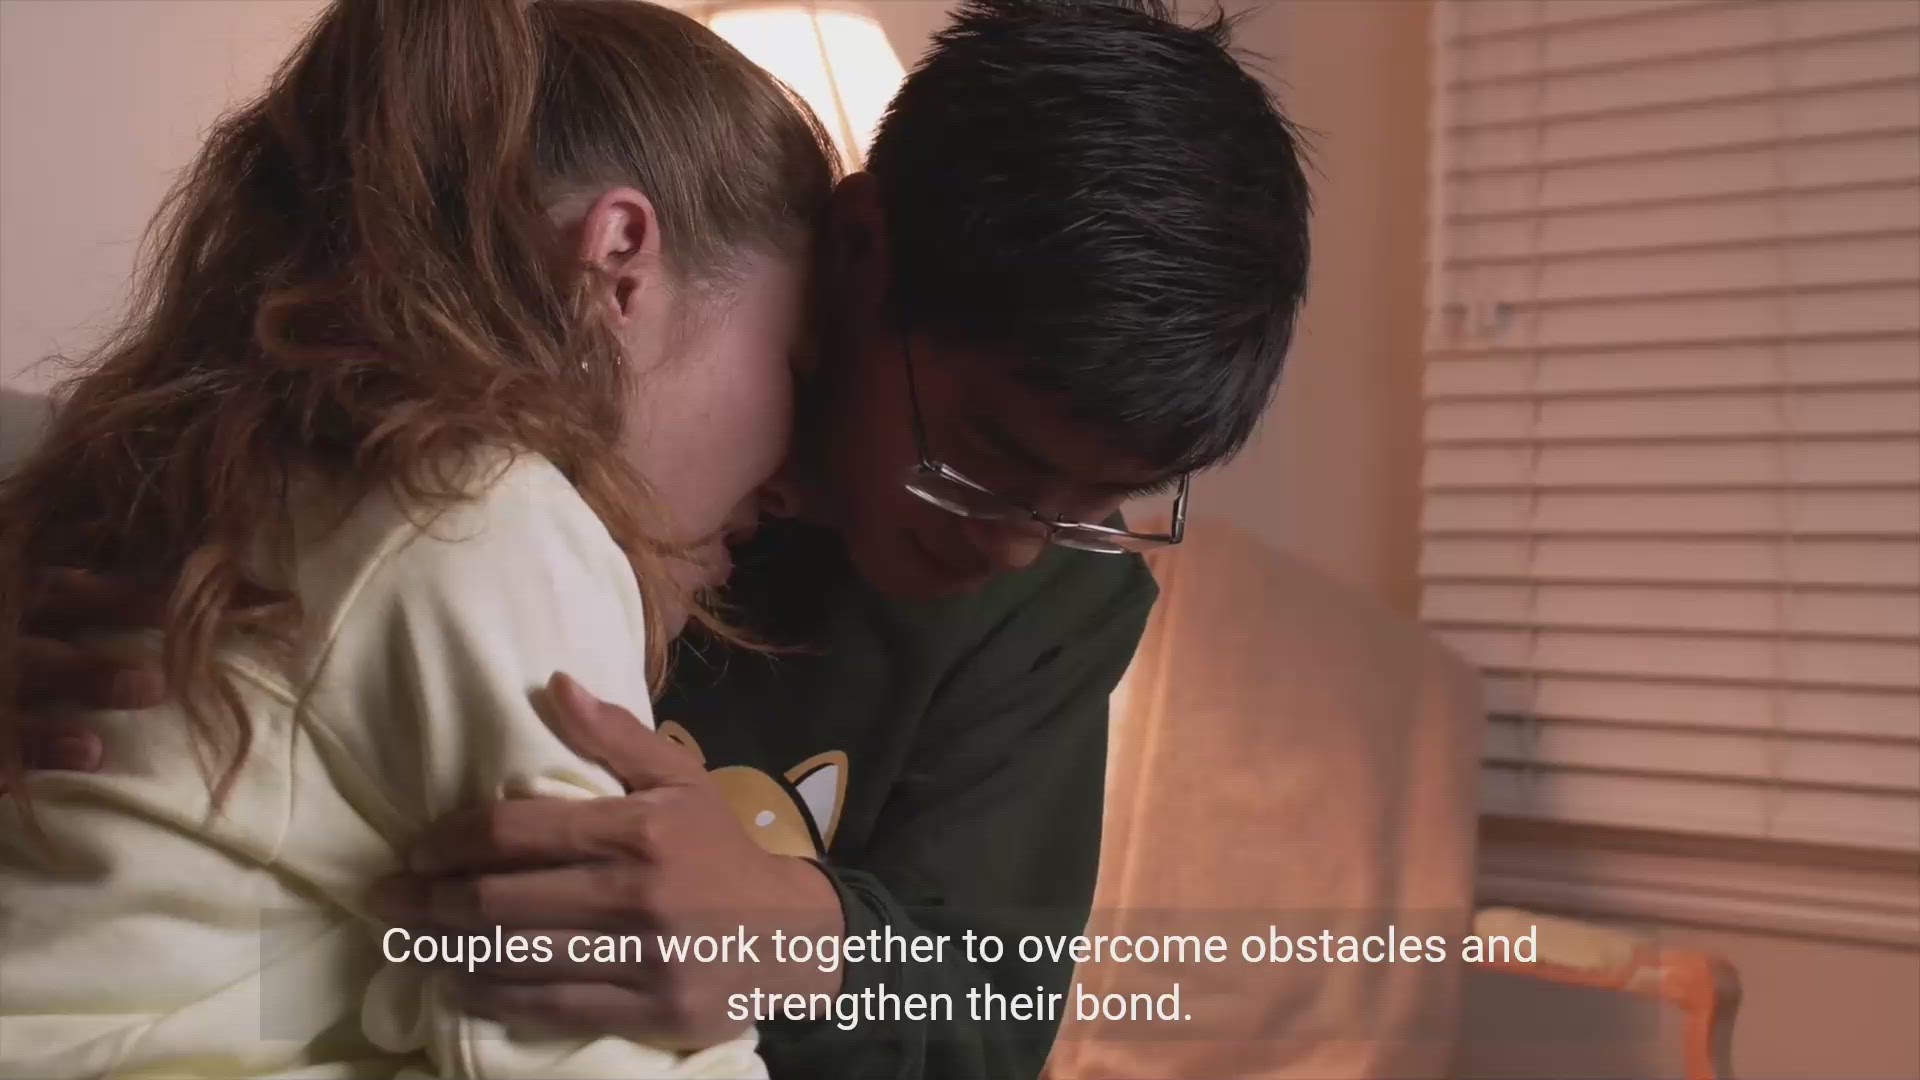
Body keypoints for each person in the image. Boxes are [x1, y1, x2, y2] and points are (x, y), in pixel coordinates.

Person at [8, 1, 1315, 1078]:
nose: (1023, 544)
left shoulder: (1050, 606)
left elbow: (993, 1008)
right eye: (990, 459)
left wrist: (794, 936)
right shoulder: (529, 480)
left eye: (1102, 507)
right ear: (862, 249)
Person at [0, 0, 841, 1076]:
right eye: (798, 369)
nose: (792, 484)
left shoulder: (266, 467)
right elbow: (588, 1052)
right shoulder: (487, 518)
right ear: (619, 262)